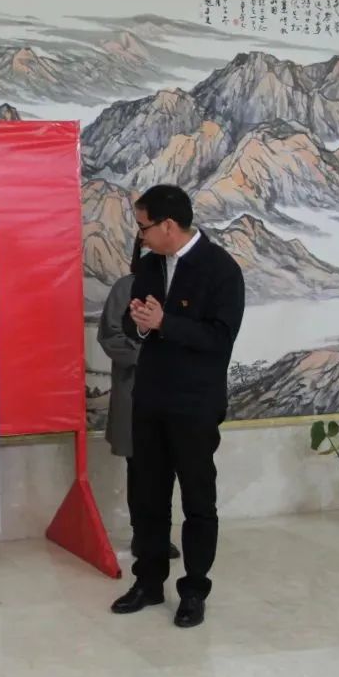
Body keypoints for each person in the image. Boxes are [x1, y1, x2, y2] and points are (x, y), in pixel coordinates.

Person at [110, 185, 245, 629]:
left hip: (195, 403)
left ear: (168, 225)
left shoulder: (221, 269)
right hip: (150, 398)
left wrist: (165, 322)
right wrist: (141, 323)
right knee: (148, 497)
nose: (140, 236)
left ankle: (194, 590)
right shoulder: (150, 265)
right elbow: (135, 321)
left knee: (197, 500)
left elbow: (219, 338)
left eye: (144, 227)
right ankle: (148, 582)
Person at [97, 237, 180, 561]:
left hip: (175, 392)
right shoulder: (126, 286)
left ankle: (161, 534)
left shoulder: (182, 287)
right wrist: (146, 357)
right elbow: (110, 335)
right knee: (141, 467)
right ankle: (142, 536)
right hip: (135, 389)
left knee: (168, 467)